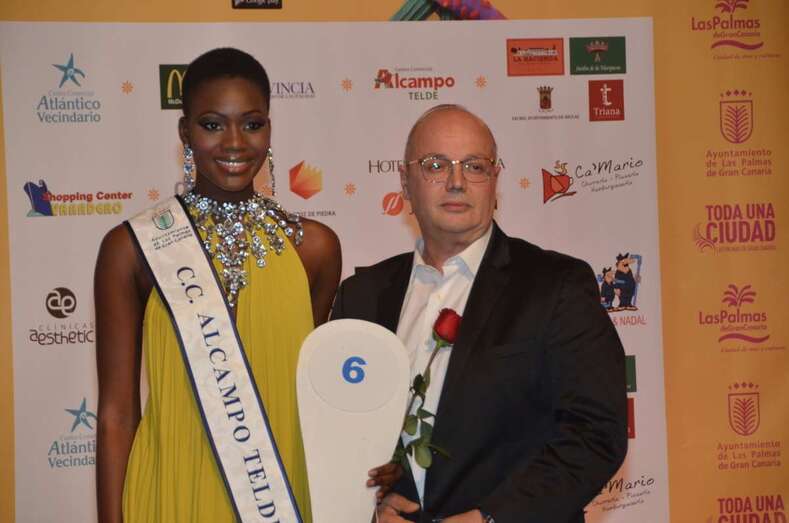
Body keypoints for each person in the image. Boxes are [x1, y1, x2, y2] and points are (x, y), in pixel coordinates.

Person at [94, 48, 394, 523]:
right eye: (213, 124)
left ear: (270, 128)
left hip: (279, 492)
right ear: (184, 132)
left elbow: (312, 395)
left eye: (252, 124)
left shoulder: (312, 249)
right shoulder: (134, 249)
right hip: (171, 490)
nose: (235, 142)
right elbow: (115, 413)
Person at [331, 104, 628, 523]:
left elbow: (596, 433)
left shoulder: (556, 285)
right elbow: (336, 433)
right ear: (405, 182)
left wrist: (491, 519)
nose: (456, 182)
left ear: (494, 182)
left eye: (474, 166)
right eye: (435, 165)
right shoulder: (360, 297)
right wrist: (369, 505)